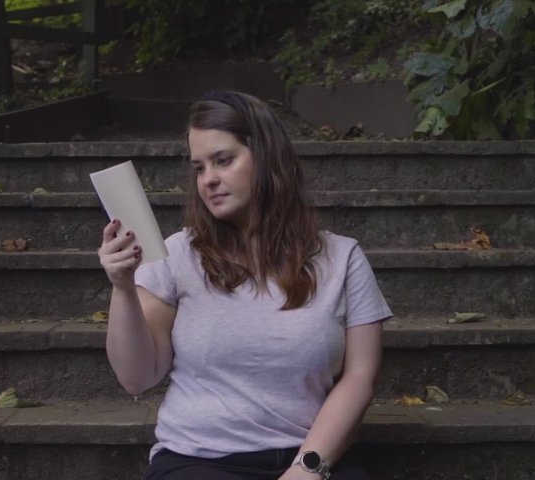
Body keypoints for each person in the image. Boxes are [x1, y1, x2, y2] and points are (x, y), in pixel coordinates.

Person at [98, 90, 393, 480]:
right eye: (199, 168)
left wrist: (308, 469)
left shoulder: (343, 259)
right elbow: (137, 377)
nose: (209, 180)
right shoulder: (177, 254)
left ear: (268, 157)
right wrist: (122, 287)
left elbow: (360, 377)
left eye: (223, 160)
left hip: (309, 456)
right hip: (198, 462)